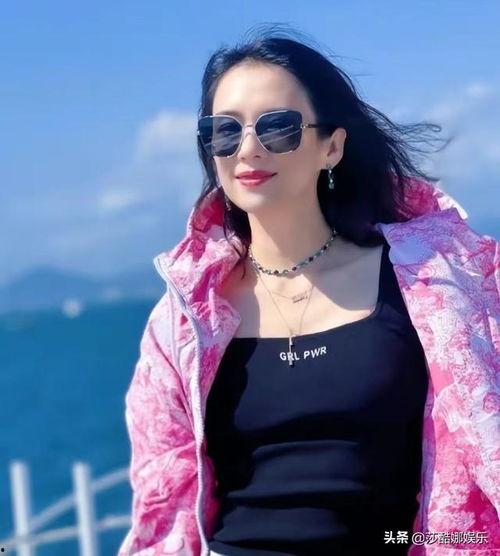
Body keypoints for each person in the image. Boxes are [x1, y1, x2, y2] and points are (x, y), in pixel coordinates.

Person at [118, 26, 499, 556]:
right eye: (224, 131)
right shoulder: (184, 322)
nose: (248, 148)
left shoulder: (437, 284)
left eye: (277, 126)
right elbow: (163, 511)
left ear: (332, 147)